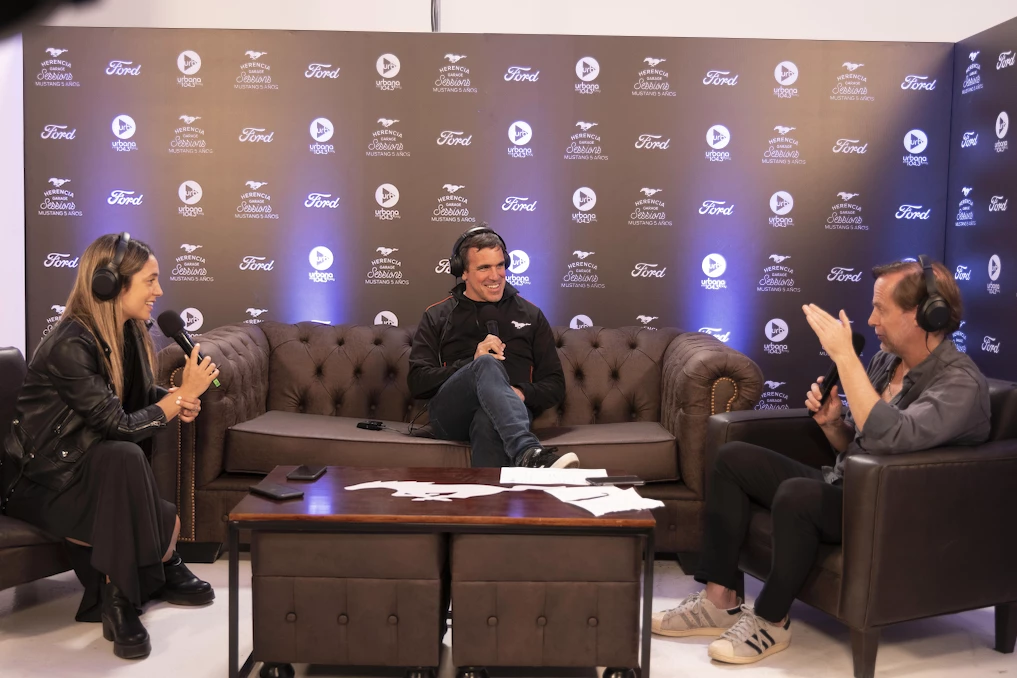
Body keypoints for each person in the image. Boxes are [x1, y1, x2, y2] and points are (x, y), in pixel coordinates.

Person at [651, 255, 990, 665]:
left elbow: (893, 437)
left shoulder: (959, 384)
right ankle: (718, 600)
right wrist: (833, 425)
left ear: (924, 315)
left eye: (881, 309)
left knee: (798, 495)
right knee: (732, 459)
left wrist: (845, 358)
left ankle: (771, 621)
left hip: (891, 511)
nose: (872, 319)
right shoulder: (887, 361)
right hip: (850, 487)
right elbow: (864, 442)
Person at [0, 233, 220, 660]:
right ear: (110, 284)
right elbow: (119, 425)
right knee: (125, 456)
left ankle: (122, 593)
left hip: (91, 470)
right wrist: (175, 402)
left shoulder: (130, 332)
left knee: (122, 458)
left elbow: (131, 401)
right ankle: (128, 593)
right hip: (41, 482)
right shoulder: (69, 344)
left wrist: (176, 398)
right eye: (150, 280)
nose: (159, 291)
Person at [408, 225, 576, 468]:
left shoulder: (530, 315)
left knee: (487, 420)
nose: (495, 276)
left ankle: (490, 494)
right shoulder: (437, 315)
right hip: (450, 415)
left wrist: (519, 393)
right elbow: (417, 381)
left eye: (500, 265)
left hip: (510, 415)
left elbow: (555, 384)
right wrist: (471, 364)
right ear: (463, 271)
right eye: (484, 267)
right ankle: (527, 451)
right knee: (485, 362)